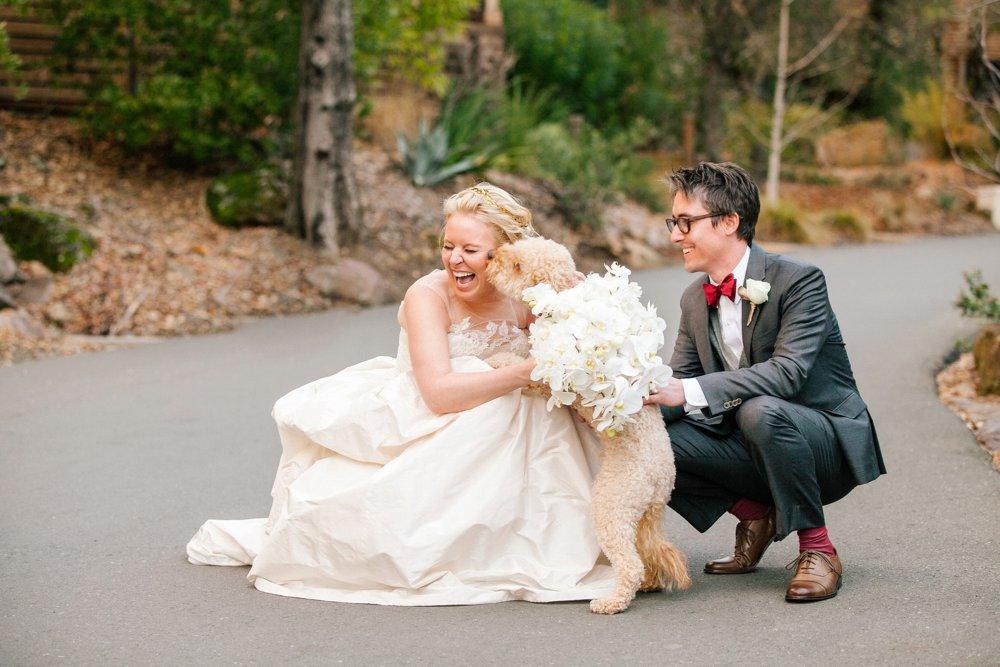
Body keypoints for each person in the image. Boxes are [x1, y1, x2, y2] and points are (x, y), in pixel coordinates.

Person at [186, 182, 615, 605]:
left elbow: (566, 355)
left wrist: (573, 305)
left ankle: (541, 534)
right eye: (448, 246)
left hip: (515, 426)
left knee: (535, 413)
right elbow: (439, 394)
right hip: (433, 415)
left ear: (503, 253)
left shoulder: (523, 293)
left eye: (470, 249)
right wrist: (524, 371)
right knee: (500, 408)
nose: (455, 260)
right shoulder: (427, 295)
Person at [645, 162, 885, 603]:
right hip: (751, 444)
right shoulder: (694, 299)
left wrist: (688, 391)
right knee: (647, 433)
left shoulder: (798, 280)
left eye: (685, 223)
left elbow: (789, 373)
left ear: (729, 221)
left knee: (760, 409)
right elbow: (680, 382)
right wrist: (620, 399)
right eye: (672, 223)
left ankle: (819, 549)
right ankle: (757, 516)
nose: (675, 236)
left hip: (821, 441)